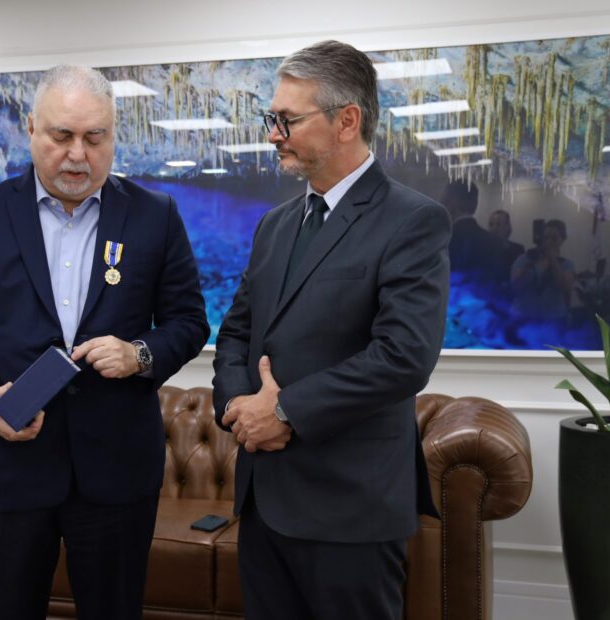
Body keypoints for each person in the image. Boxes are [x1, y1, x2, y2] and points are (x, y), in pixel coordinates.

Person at [0, 65, 209, 620]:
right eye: (61, 136)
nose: (78, 154)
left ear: (113, 137)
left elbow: (189, 321)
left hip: (117, 473)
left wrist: (139, 354)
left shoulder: (156, 216)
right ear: (31, 129)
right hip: (8, 467)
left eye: (94, 137)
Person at [212, 40, 450, 620]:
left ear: (347, 121)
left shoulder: (413, 220)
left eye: (287, 120)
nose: (273, 133)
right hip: (264, 499)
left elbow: (403, 356)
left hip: (351, 509)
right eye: (272, 119)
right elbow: (236, 331)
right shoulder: (275, 226)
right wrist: (242, 408)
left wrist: (286, 412)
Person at [442, 179, 510, 287]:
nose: (442, 205)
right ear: (475, 204)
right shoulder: (495, 243)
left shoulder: (442, 239)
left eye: (444, 201)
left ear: (451, 203)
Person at [510, 218, 575, 321]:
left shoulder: (566, 264)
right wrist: (540, 265)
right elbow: (516, 285)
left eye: (554, 238)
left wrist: (552, 260)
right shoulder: (525, 259)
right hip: (524, 318)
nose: (549, 241)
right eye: (546, 237)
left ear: (562, 240)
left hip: (553, 320)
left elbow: (564, 286)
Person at [488, 208, 525, 282]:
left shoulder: (517, 250)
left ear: (507, 227)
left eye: (498, 224)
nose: (494, 228)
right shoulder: (482, 249)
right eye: (491, 224)